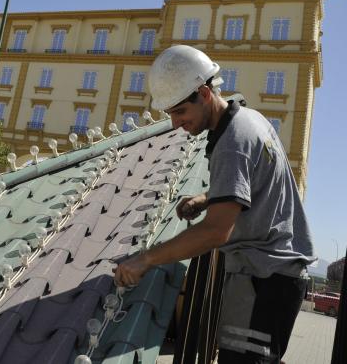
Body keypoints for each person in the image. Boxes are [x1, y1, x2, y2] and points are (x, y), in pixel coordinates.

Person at [113, 45, 314, 363]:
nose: (176, 124)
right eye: (170, 115)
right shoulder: (250, 119)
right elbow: (258, 183)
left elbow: (215, 233)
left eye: (180, 112)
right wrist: (211, 198)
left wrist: (145, 259)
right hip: (274, 275)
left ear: (204, 93)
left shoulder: (232, 142)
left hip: (265, 278)